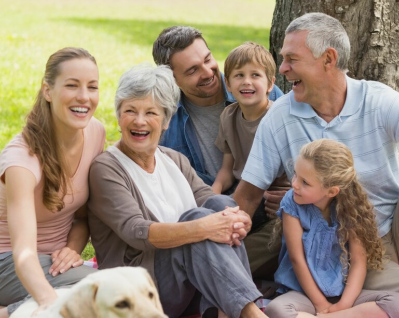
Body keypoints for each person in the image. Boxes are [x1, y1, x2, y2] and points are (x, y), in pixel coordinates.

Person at [234, 12, 399, 296]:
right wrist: (220, 237)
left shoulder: (378, 101)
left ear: (328, 59)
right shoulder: (280, 115)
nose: (283, 68)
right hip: (325, 243)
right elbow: (249, 194)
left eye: (292, 58)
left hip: (387, 230)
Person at [87, 64, 266, 318]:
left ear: (167, 120)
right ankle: (252, 314)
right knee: (198, 221)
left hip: (187, 285)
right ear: (118, 116)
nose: (139, 121)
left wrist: (237, 218)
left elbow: (210, 199)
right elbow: (136, 231)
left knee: (220, 207)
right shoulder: (106, 168)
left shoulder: (173, 159)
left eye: (151, 112)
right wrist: (205, 227)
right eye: (130, 111)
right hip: (137, 292)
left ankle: (227, 311)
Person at [0, 47, 106, 318]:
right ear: (47, 91)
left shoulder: (95, 132)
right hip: (6, 263)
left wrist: (71, 248)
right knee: (103, 294)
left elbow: (81, 218)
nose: (84, 97)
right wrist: (47, 301)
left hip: (55, 265)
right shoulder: (21, 160)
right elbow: (23, 253)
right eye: (71, 85)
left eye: (92, 87)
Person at [264, 139, 399, 318]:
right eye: (295, 175)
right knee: (276, 310)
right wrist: (320, 303)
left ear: (331, 191)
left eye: (305, 182)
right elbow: (297, 259)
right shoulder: (291, 202)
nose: (294, 184)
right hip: (304, 294)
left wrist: (343, 306)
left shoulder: (351, 207)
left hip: (344, 293)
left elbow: (358, 261)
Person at [152, 25, 283, 186]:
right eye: (193, 70)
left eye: (207, 59)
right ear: (172, 79)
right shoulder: (165, 119)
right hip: (208, 203)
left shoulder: (262, 92)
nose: (207, 72)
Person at [213, 41, 290, 280]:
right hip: (241, 198)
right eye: (239, 75)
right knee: (214, 234)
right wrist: (210, 197)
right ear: (228, 84)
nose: (246, 81)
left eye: (255, 75)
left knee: (241, 257)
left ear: (270, 84)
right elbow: (227, 169)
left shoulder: (280, 117)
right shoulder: (228, 115)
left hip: (273, 205)